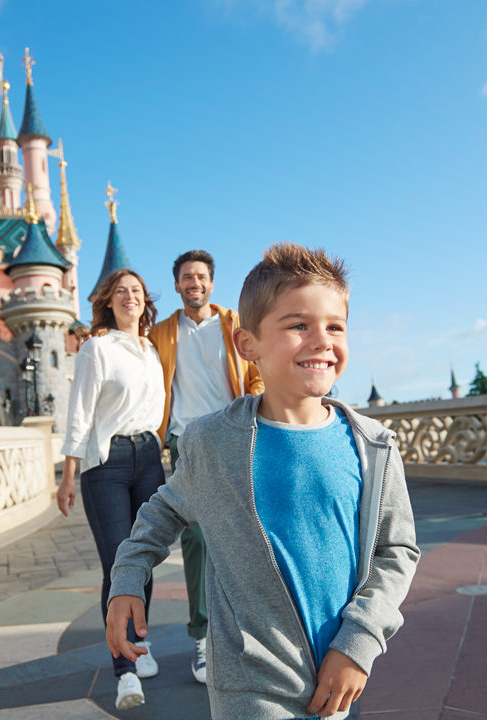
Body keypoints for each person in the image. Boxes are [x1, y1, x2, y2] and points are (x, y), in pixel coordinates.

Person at [106, 243, 420, 719]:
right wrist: (128, 576)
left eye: (335, 326)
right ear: (247, 345)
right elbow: (163, 509)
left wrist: (359, 642)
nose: (321, 340)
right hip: (247, 681)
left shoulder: (373, 445)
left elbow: (397, 550)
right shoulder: (213, 442)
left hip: (337, 676)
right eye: (298, 325)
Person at [147, 249, 263, 683]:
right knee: (195, 537)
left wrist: (253, 407)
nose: (194, 283)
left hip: (233, 434)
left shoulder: (235, 325)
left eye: (200, 276)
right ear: (177, 286)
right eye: (186, 277)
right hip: (186, 441)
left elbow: (257, 373)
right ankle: (202, 635)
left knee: (245, 532)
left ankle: (248, 630)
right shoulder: (161, 333)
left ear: (211, 283)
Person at [56, 269, 165, 711]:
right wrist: (67, 474)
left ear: (144, 301)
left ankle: (138, 640)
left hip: (149, 459)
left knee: (144, 562)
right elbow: (79, 414)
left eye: (136, 291)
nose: (129, 297)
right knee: (118, 565)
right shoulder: (96, 349)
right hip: (108, 463)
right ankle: (125, 673)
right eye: (121, 291)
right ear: (108, 301)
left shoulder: (152, 350)